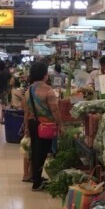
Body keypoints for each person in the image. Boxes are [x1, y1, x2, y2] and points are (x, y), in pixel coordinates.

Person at [23, 61, 63, 190]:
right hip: (45, 125)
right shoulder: (48, 90)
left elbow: (26, 111)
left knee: (35, 151)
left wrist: (26, 127)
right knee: (42, 153)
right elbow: (55, 110)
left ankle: (36, 178)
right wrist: (60, 124)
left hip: (32, 123)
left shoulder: (28, 90)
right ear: (45, 75)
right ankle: (37, 182)